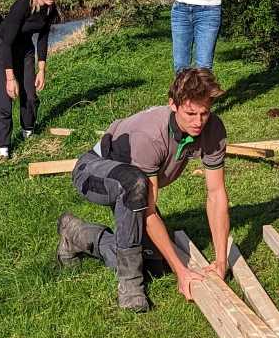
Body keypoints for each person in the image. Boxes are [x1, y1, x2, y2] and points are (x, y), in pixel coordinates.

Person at [56, 67, 231, 313]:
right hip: (93, 171)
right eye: (190, 113)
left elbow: (216, 195)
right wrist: (182, 271)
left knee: (155, 266)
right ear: (173, 104)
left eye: (204, 113)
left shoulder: (212, 128)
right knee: (135, 185)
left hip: (133, 184)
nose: (198, 121)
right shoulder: (149, 135)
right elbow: (148, 210)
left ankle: (78, 234)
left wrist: (221, 262)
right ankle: (130, 284)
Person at [0, 0, 61, 161]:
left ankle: (28, 133)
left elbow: (43, 38)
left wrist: (42, 70)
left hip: (25, 48)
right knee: (5, 97)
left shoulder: (49, 8)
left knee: (30, 94)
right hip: (2, 48)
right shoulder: (22, 5)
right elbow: (6, 43)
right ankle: (3, 150)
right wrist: (10, 78)